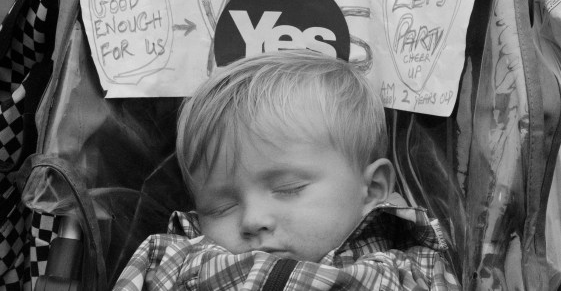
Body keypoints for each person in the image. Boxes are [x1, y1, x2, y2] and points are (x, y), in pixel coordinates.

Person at [113, 50, 460, 290]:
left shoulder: (417, 268)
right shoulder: (172, 260)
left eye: (289, 188)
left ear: (370, 189)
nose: (252, 221)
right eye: (219, 207)